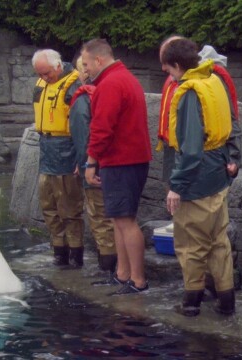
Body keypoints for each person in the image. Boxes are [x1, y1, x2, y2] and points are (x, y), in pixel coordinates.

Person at [157, 36, 242, 300]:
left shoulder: (191, 93)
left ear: (176, 64)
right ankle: (226, 301)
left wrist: (176, 187)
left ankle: (191, 303)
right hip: (218, 177)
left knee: (191, 244)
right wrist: (234, 156)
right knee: (219, 242)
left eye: (167, 68)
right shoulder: (214, 80)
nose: (165, 72)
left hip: (197, 181)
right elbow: (231, 123)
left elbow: (191, 149)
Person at [80, 39, 152, 295]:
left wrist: (91, 162)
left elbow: (101, 128)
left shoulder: (110, 84)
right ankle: (123, 275)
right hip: (127, 160)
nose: (85, 69)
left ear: (99, 60)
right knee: (117, 219)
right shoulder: (124, 78)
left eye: (86, 64)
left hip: (122, 161)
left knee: (125, 221)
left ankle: (138, 280)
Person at [31, 49, 85, 268]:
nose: (44, 78)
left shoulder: (74, 85)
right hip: (46, 149)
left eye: (47, 73)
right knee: (48, 205)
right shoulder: (40, 85)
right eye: (40, 74)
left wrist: (80, 159)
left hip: (66, 149)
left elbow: (82, 125)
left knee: (69, 208)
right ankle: (59, 252)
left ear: (58, 66)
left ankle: (75, 255)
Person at [69, 56, 118, 280]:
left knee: (100, 218)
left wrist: (85, 163)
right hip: (115, 166)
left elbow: (83, 137)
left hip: (95, 167)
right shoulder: (109, 91)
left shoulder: (82, 99)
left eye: (81, 69)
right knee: (115, 218)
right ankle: (118, 268)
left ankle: (107, 269)